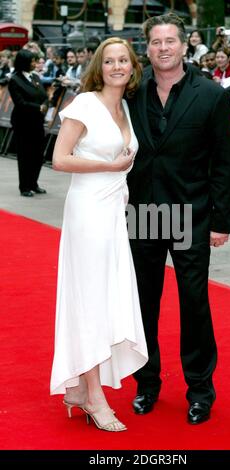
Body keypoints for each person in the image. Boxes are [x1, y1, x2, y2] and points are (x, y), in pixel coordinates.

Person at [127, 13, 230, 425]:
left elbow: (224, 162)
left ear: (184, 45)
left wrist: (221, 220)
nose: (164, 48)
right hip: (146, 211)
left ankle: (200, 392)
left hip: (191, 212)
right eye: (156, 42)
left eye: (171, 40)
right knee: (144, 304)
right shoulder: (131, 93)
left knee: (194, 303)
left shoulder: (210, 94)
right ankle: (147, 384)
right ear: (147, 47)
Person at [50, 37, 148, 432]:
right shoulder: (85, 103)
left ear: (132, 66)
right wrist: (107, 168)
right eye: (109, 61)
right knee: (90, 300)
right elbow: (60, 159)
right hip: (88, 212)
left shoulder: (125, 106)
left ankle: (77, 388)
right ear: (99, 67)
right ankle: (93, 396)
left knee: (106, 297)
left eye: (123, 59)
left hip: (113, 213)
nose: (117, 66)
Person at [8, 49, 48, 197]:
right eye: (32, 61)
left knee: (38, 155)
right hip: (23, 124)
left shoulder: (36, 77)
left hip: (37, 122)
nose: (35, 63)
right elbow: (20, 103)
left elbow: (44, 95)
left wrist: (45, 104)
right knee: (25, 155)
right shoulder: (15, 80)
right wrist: (39, 107)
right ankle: (24, 186)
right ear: (24, 62)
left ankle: (34, 183)